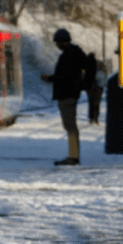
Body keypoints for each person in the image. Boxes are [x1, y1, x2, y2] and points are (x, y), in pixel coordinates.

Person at [40, 28, 88, 166]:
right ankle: (74, 155)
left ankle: (73, 157)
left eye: (57, 42)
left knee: (70, 126)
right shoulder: (75, 52)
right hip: (72, 93)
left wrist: (50, 78)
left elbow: (66, 76)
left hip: (67, 94)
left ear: (61, 42)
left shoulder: (68, 55)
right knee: (71, 126)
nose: (56, 45)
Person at [88, 53, 106, 125]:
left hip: (91, 87)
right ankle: (95, 118)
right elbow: (105, 73)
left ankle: (91, 118)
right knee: (96, 103)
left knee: (91, 102)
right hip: (99, 87)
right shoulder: (100, 64)